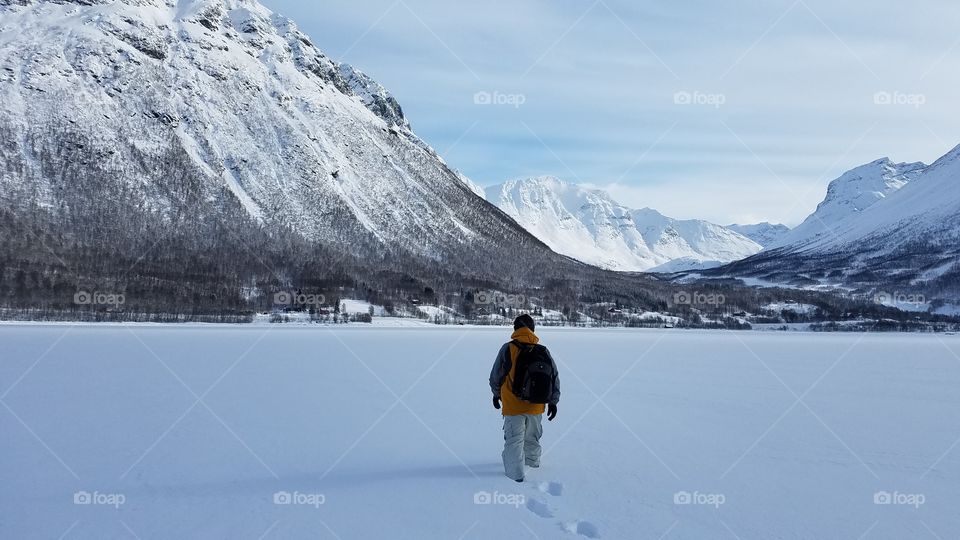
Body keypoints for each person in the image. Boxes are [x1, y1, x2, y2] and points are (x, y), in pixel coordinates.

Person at [489, 314, 560, 482]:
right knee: (532, 438)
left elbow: (496, 376)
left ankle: (515, 477)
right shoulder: (543, 350)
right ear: (532, 329)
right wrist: (553, 402)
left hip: (513, 406)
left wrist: (496, 394)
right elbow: (554, 378)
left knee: (514, 440)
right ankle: (533, 467)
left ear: (515, 329)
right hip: (536, 405)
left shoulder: (508, 348)